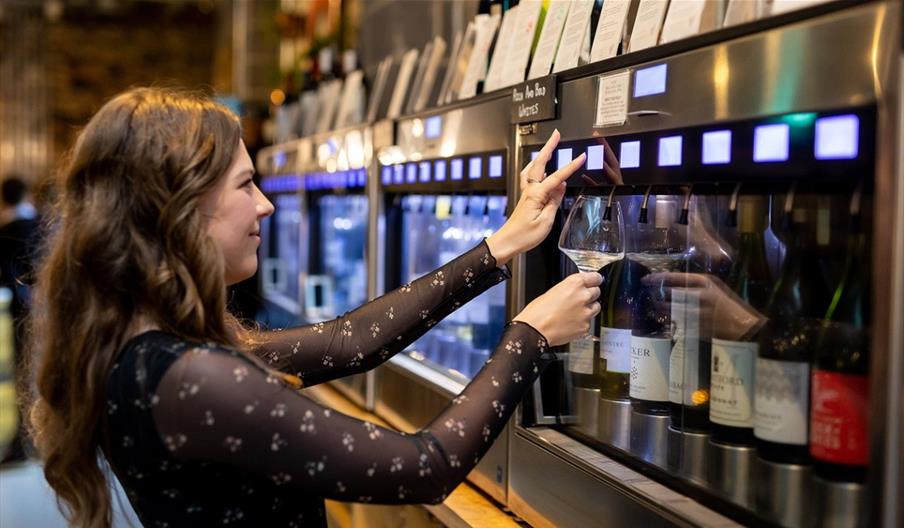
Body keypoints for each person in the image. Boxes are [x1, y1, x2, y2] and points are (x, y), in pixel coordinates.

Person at [25, 87, 600, 528]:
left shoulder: (151, 352)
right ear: (180, 207)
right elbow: (425, 469)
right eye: (246, 185)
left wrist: (500, 246)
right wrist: (531, 335)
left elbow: (352, 341)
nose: (267, 206)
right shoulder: (190, 379)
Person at [0, 174, 41, 464]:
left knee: (19, 371)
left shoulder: (4, 229)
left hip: (15, 309)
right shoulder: (41, 224)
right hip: (43, 309)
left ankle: (22, 440)